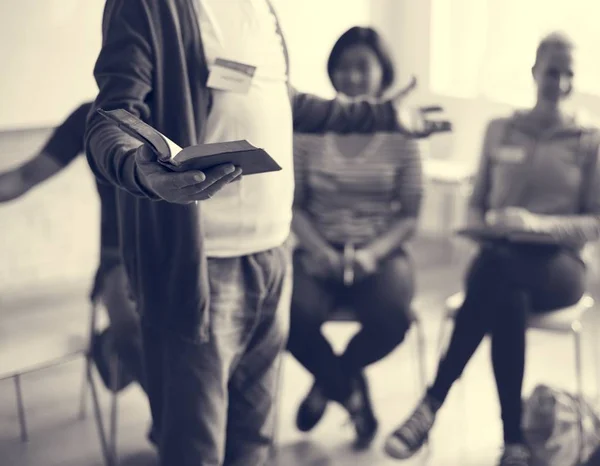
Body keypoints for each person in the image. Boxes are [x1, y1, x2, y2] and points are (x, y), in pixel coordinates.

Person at [85, 1, 448, 465]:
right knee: (195, 448)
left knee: (254, 443)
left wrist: (381, 116)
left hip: (272, 257)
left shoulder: (261, 9)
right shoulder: (150, 7)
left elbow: (287, 102)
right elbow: (110, 117)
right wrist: (139, 167)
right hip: (200, 265)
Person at [384, 32, 600, 466]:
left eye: (567, 73)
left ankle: (431, 403)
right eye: (551, 70)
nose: (557, 81)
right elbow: (478, 201)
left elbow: (595, 221)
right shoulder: (499, 129)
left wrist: (537, 225)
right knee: (507, 294)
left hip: (561, 267)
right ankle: (512, 440)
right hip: (502, 260)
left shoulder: (589, 140)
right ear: (534, 71)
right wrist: (487, 223)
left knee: (494, 274)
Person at [286, 27, 422, 450]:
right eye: (343, 67)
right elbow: (293, 205)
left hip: (380, 253)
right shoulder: (310, 129)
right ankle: (350, 392)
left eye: (363, 67)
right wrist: (317, 248)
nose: (352, 77)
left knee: (393, 319)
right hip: (317, 248)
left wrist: (372, 254)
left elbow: (410, 214)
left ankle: (329, 384)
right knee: (287, 318)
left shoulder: (400, 133)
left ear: (383, 73)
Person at [0, 102, 149, 422]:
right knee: (135, 331)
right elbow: (25, 175)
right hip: (119, 260)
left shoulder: (186, 103)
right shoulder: (91, 116)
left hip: (188, 253)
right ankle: (176, 427)